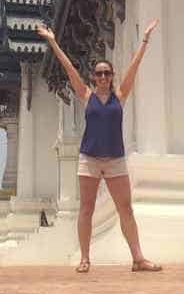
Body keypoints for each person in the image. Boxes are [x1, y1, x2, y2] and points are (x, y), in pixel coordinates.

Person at [36, 19, 162, 273]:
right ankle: (85, 258)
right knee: (87, 208)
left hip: (115, 159)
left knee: (125, 209)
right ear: (93, 78)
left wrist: (145, 39)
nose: (103, 77)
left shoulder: (120, 96)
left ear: (112, 77)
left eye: (107, 73)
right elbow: (69, 68)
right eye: (99, 73)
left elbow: (135, 67)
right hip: (90, 159)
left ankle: (138, 258)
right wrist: (52, 41)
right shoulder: (86, 96)